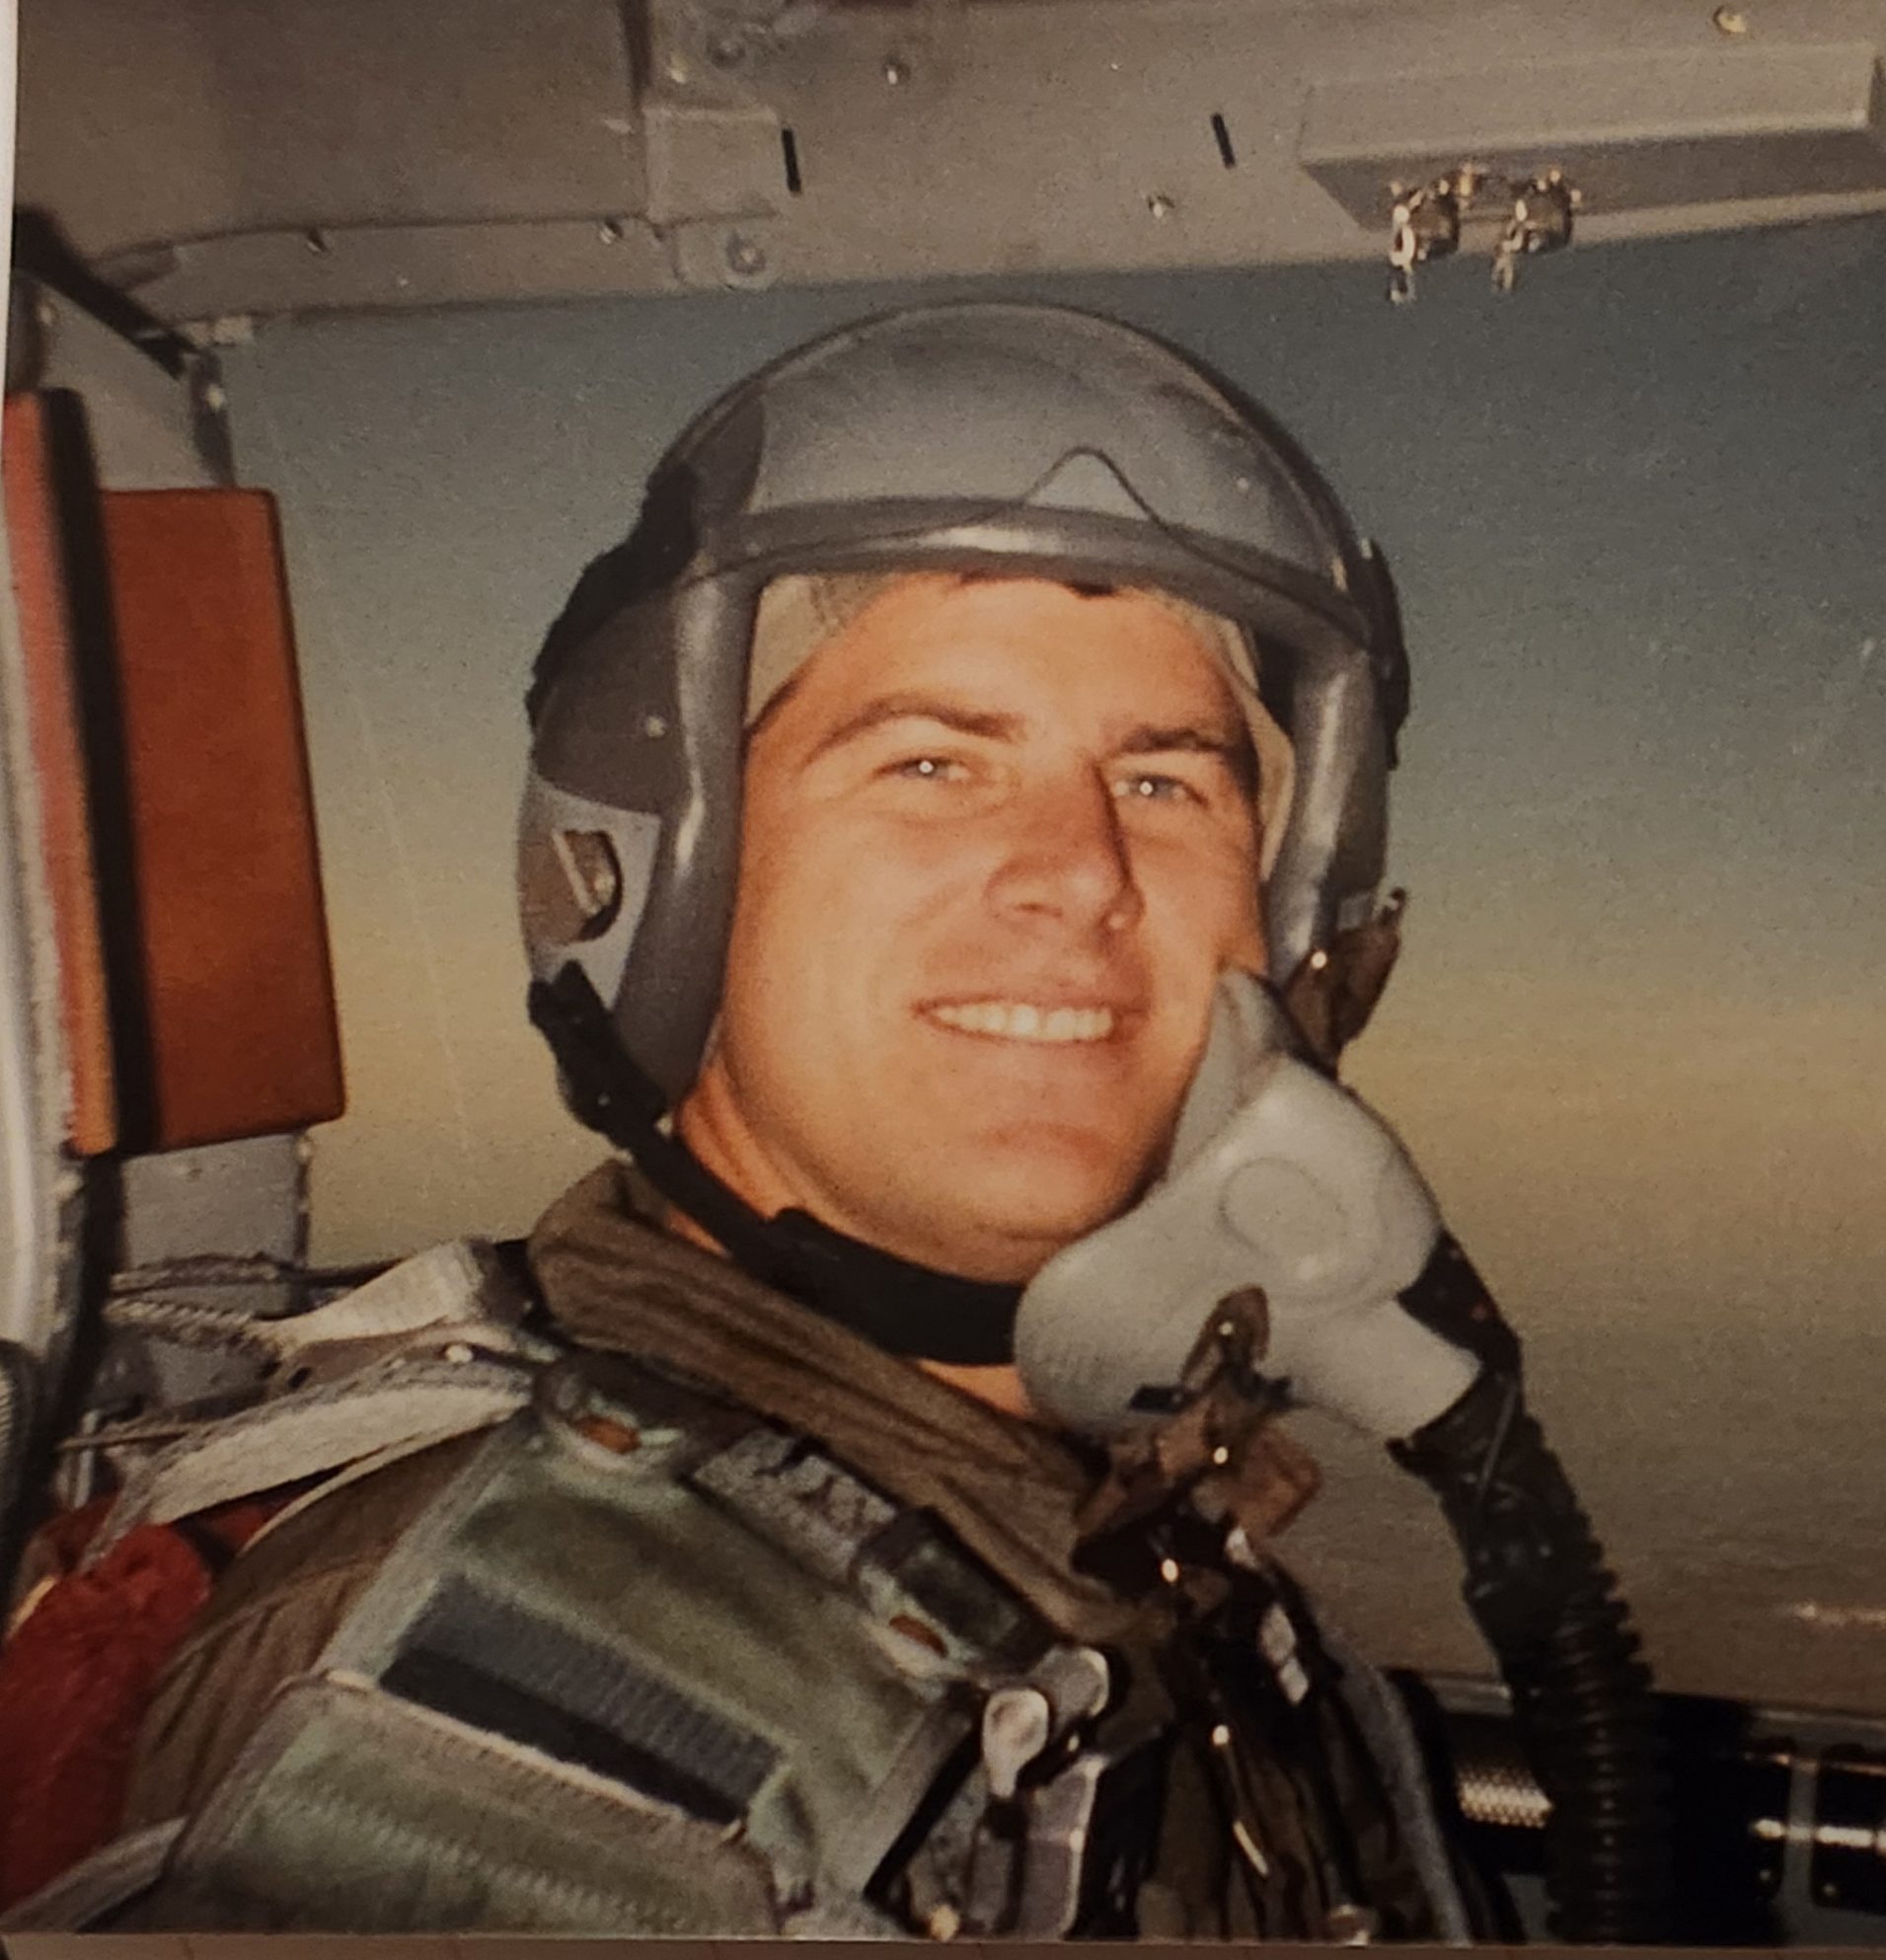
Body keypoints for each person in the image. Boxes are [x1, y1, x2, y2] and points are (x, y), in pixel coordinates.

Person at [0, 303, 1496, 1939]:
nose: (1080, 873)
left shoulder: (1122, 1536)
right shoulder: (527, 1753)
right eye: (932, 762)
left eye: (1168, 781)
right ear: (668, 874)